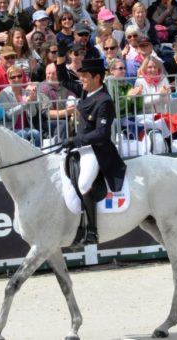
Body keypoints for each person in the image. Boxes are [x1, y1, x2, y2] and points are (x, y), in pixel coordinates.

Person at [57, 52, 127, 245]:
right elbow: (63, 79)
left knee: (84, 183)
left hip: (96, 150)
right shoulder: (86, 92)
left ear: (97, 77)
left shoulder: (104, 100)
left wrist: (75, 140)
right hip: (80, 147)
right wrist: (60, 58)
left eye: (85, 76)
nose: (81, 79)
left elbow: (102, 134)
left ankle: (92, 231)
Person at [0, 65, 42, 146]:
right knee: (23, 134)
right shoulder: (4, 94)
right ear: (8, 79)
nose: (17, 79)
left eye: (19, 76)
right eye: (13, 77)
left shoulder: (26, 92)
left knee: (36, 134)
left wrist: (31, 102)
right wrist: (24, 104)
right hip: (10, 128)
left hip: (25, 127)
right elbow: (8, 115)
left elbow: (32, 114)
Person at [38, 63, 76, 140]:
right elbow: (48, 114)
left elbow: (72, 97)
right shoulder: (42, 88)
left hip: (64, 118)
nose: (50, 76)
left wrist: (72, 106)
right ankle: (59, 148)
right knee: (62, 123)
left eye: (53, 73)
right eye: (48, 73)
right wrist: (68, 111)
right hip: (45, 122)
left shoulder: (65, 86)